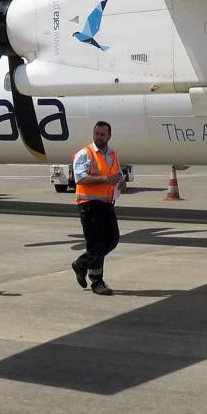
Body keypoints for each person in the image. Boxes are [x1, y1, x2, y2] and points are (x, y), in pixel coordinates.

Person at [71, 121, 124, 296]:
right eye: (97, 134)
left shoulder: (113, 154)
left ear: (109, 136)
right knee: (96, 243)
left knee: (112, 239)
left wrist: (121, 182)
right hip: (89, 204)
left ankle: (82, 263)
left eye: (103, 134)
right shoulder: (85, 154)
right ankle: (97, 282)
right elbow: (80, 179)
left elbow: (118, 173)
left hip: (107, 203)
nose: (99, 137)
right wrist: (104, 180)